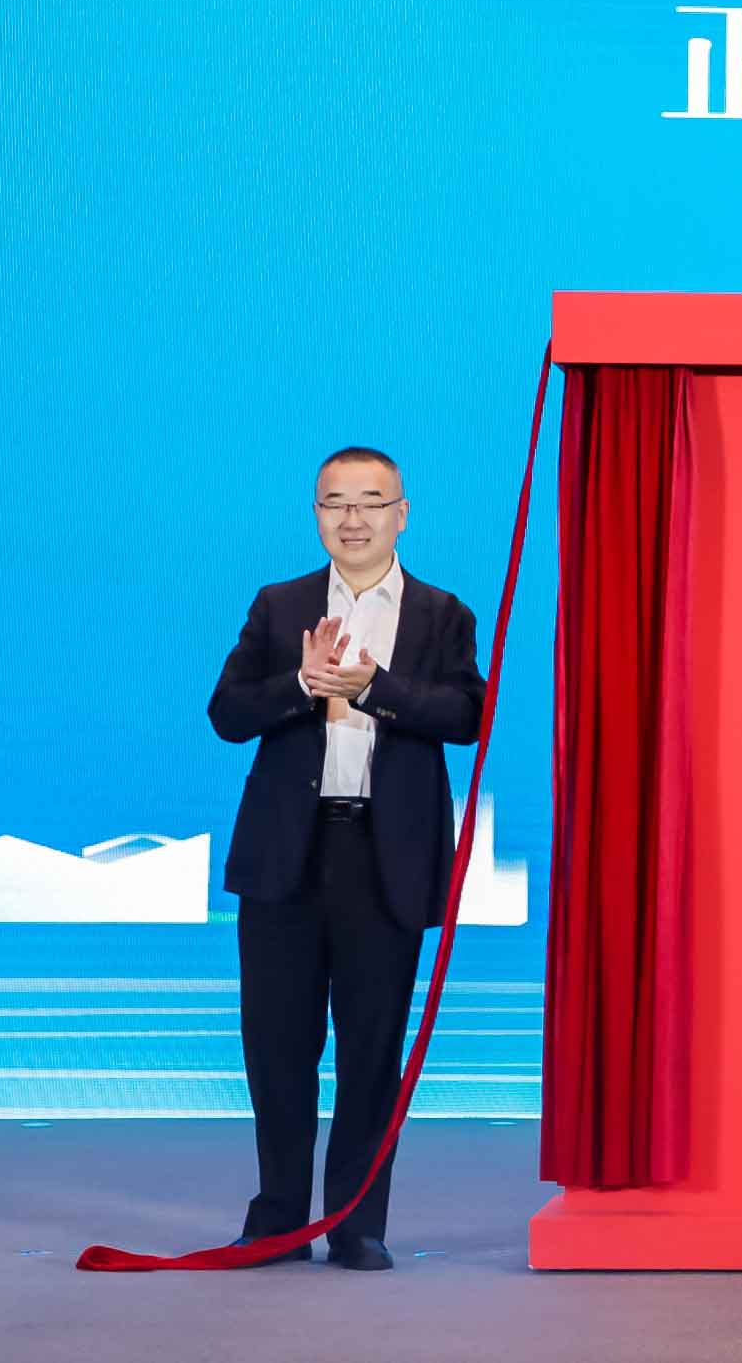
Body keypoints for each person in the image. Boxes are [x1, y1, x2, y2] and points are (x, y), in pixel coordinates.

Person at [208, 446, 484, 1271]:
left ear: (402, 515)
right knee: (278, 1046)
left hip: (383, 855)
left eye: (371, 501)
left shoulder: (441, 613)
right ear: (317, 514)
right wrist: (302, 684)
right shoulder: (279, 604)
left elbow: (466, 716)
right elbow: (227, 714)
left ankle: (357, 1223)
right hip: (287, 855)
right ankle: (277, 1217)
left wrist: (372, 689)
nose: (353, 518)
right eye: (336, 502)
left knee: (371, 1049)